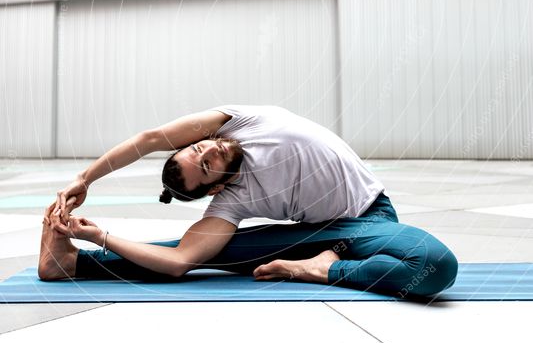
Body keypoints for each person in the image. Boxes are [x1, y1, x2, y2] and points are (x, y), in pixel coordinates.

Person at [40, 104, 458, 297]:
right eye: (204, 168)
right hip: (312, 235)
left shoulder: (239, 121)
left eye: (197, 149)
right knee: (203, 256)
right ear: (215, 189)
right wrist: (101, 236)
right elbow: (180, 261)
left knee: (434, 267)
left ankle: (323, 270)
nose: (207, 153)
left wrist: (84, 177)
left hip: (369, 221)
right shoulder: (231, 203)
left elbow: (149, 139)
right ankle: (69, 263)